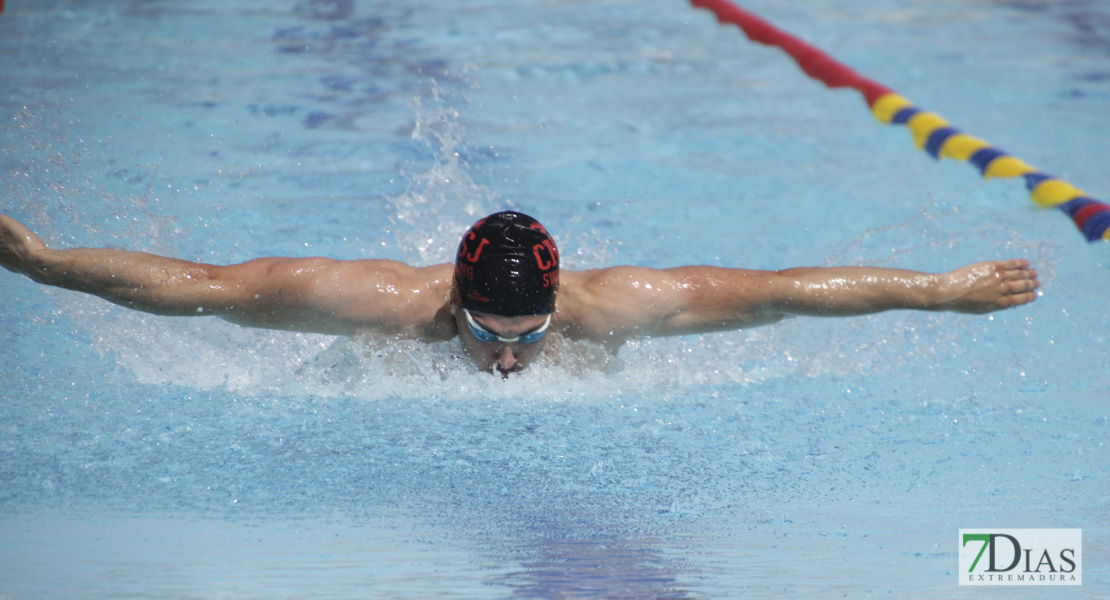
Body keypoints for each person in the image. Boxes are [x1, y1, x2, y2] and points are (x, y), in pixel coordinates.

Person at [1, 210, 1039, 376]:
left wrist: (935, 292)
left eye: (528, 339)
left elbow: (785, 293)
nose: (505, 362)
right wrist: (43, 264)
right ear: (449, 304)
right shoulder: (374, 300)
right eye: (487, 335)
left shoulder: (622, 302)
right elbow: (202, 288)